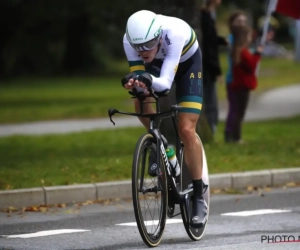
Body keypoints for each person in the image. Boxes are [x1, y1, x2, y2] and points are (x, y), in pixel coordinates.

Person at [122, 10, 207, 228]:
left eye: (148, 44)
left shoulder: (174, 33)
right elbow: (141, 83)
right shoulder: (130, 41)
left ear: (159, 36)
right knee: (141, 104)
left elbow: (166, 84)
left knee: (186, 129)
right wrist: (134, 84)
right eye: (137, 47)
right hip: (156, 67)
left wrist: (145, 78)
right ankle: (165, 149)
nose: (142, 51)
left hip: (186, 65)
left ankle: (198, 196)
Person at [230, 26, 263, 143]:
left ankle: (235, 136)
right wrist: (258, 54)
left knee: (238, 111)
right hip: (243, 86)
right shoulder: (243, 52)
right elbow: (251, 65)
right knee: (240, 112)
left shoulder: (237, 52)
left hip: (239, 85)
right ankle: (237, 137)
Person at [200, 0, 228, 135]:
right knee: (210, 100)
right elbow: (208, 46)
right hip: (207, 67)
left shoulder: (207, 16)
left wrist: (221, 40)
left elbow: (210, 39)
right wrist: (216, 70)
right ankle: (211, 129)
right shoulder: (205, 17)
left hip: (206, 65)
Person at [224, 11, 248, 143]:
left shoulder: (244, 40)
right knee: (234, 109)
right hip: (233, 80)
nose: (242, 25)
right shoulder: (233, 40)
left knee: (238, 110)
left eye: (244, 22)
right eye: (239, 22)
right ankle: (230, 135)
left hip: (240, 80)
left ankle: (234, 134)